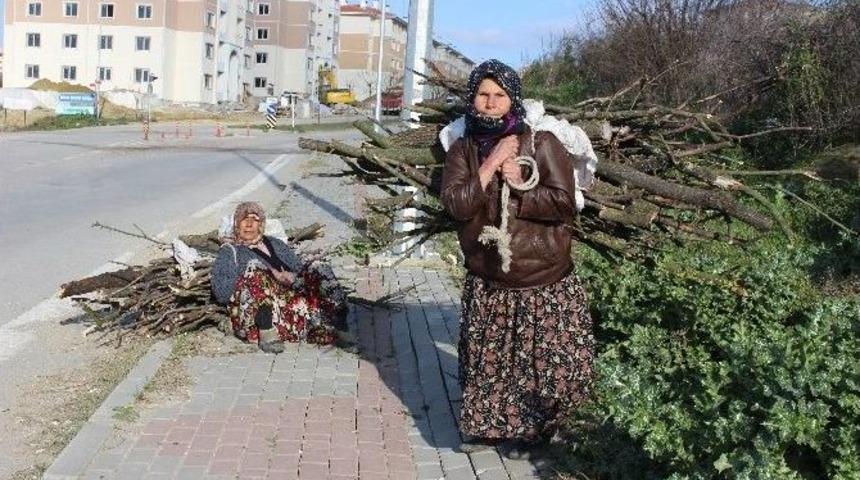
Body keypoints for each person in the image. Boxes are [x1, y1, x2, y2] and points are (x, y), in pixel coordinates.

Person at [440, 60, 595, 459]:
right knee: (490, 363)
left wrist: (522, 185)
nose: (491, 103)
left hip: (543, 276)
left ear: (513, 101)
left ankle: (542, 432)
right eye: (483, 94)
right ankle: (489, 429)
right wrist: (491, 164)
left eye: (500, 95)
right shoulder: (462, 150)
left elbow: (565, 204)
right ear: (472, 98)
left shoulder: (542, 144)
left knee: (546, 363)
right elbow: (457, 206)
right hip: (489, 276)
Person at [211, 202, 340, 353]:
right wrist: (268, 276)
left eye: (254, 220)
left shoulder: (275, 243)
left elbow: (299, 269)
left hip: (288, 306)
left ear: (261, 224)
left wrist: (291, 277)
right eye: (244, 220)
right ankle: (267, 332)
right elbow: (221, 292)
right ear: (236, 224)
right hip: (256, 314)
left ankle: (339, 320)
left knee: (319, 268)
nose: (249, 224)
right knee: (256, 269)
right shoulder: (230, 251)